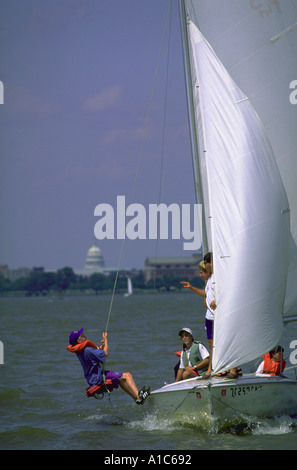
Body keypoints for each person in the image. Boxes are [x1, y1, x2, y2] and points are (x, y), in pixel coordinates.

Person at [67, 328, 150, 404]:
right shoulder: (87, 350)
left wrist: (102, 346)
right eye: (82, 336)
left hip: (92, 379)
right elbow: (105, 354)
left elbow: (97, 353)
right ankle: (140, 397)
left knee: (121, 381)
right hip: (98, 378)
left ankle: (137, 399)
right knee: (127, 375)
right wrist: (106, 340)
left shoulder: (80, 352)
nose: (85, 336)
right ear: (79, 341)